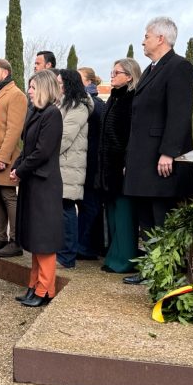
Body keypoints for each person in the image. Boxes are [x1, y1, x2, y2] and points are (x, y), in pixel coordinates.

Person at [123, 16, 193, 284]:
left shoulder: (179, 67)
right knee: (146, 216)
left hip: (161, 159)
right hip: (143, 159)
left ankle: (167, 271)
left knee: (161, 215)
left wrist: (169, 152)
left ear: (161, 38)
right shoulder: (152, 69)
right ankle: (152, 267)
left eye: (147, 36)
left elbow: (179, 114)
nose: (143, 40)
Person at [9, 71, 63, 307]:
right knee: (33, 236)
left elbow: (42, 152)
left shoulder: (52, 114)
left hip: (44, 183)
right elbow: (28, 148)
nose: (28, 90)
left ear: (42, 88)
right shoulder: (37, 113)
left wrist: (20, 170)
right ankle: (34, 286)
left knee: (43, 238)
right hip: (33, 181)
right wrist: (16, 167)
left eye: (32, 87)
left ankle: (45, 290)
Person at [99, 58, 142, 273]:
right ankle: (113, 257)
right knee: (114, 214)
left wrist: (127, 162)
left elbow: (132, 135)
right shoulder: (114, 98)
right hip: (109, 165)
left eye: (117, 72)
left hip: (123, 166)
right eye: (112, 71)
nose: (112, 76)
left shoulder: (132, 99)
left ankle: (125, 259)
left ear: (130, 76)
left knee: (125, 215)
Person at [0, 58, 27, 258]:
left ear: (5, 72)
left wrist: (3, 156)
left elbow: (14, 129)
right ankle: (0, 237)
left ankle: (15, 240)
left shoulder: (16, 95)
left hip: (4, 155)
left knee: (8, 196)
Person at [55, 69, 92, 269]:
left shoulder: (78, 107)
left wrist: (46, 152)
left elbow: (65, 138)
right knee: (61, 210)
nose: (58, 87)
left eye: (61, 83)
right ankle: (62, 252)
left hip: (69, 166)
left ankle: (67, 256)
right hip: (61, 165)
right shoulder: (64, 103)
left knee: (67, 210)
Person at [77, 66, 106, 260]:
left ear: (88, 82)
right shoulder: (88, 103)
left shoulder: (94, 104)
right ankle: (87, 244)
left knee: (90, 204)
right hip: (86, 160)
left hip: (92, 161)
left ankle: (85, 245)